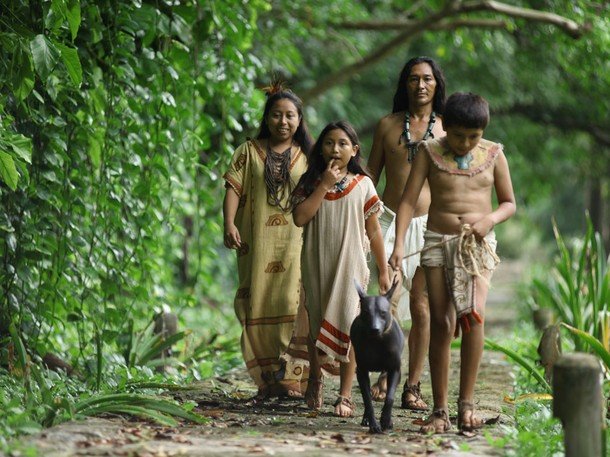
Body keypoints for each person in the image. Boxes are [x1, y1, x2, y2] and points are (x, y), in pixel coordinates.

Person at [389, 92, 516, 433]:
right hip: (435, 242)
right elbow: (407, 201)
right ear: (446, 128)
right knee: (442, 322)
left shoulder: (493, 154)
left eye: (473, 136)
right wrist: (399, 246)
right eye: (459, 135)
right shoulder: (429, 152)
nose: (465, 143)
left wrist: (488, 221)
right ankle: (440, 409)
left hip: (476, 246)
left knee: (473, 316)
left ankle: (467, 405)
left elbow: (508, 203)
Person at [292, 121, 391, 417]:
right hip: (317, 262)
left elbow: (373, 232)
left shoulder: (363, 185)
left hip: (351, 267)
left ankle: (345, 395)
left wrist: (384, 270)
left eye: (343, 143)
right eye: (329, 143)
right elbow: (299, 218)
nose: (335, 149)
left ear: (354, 150)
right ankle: (316, 379)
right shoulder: (310, 182)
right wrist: (323, 184)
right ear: (320, 149)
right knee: (316, 322)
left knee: (351, 327)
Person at [223, 82, 314, 400]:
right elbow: (233, 188)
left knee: (293, 305)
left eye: (290, 116)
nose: (283, 122)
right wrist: (229, 223)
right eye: (276, 115)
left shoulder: (310, 156)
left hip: (297, 245)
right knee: (257, 303)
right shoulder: (248, 151)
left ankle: (292, 379)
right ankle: (267, 381)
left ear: (299, 120)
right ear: (267, 117)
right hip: (256, 245)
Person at [367, 56, 446, 410]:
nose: (420, 85)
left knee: (423, 306)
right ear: (405, 84)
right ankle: (388, 371)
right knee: (387, 302)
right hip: (387, 219)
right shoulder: (386, 126)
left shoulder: (447, 129)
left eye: (427, 79)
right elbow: (369, 174)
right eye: (413, 79)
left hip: (430, 224)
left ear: (436, 84)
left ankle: (413, 386)